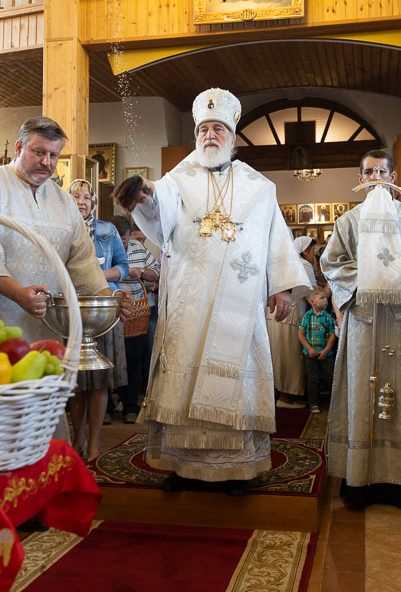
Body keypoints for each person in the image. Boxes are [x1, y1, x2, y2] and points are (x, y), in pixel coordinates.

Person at [114, 87, 310, 496]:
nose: (209, 135)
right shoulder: (177, 179)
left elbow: (276, 238)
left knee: (235, 380)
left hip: (241, 300)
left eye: (218, 128)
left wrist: (283, 287)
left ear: (232, 136)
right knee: (182, 378)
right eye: (203, 129)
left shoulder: (259, 186)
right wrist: (145, 195)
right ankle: (180, 465)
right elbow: (158, 210)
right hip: (190, 298)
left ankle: (237, 469)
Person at [0, 118, 128, 445]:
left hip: (46, 331)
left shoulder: (63, 201)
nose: (47, 162)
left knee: (42, 424)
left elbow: (83, 262)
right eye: (38, 152)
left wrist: (109, 300)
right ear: (19, 148)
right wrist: (18, 294)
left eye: (54, 155)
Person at [321, 149, 401, 510]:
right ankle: (360, 481)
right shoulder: (348, 222)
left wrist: (392, 271)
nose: (375, 178)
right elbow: (332, 262)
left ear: (393, 178)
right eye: (369, 172)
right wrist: (369, 275)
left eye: (382, 172)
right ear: (360, 180)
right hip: (363, 322)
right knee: (362, 396)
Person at [67, 179, 129, 455]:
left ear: (93, 203)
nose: (81, 202)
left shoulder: (107, 229)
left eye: (86, 197)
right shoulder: (62, 229)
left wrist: (96, 275)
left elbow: (123, 266)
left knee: (100, 381)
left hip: (104, 309)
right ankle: (78, 439)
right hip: (72, 310)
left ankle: (94, 444)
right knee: (78, 381)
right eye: (75, 196)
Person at [113, 215, 159, 424]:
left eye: (124, 240)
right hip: (111, 311)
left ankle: (131, 406)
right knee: (111, 360)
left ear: (129, 236)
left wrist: (140, 272)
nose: (122, 244)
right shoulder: (104, 247)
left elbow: (155, 273)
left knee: (134, 360)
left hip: (137, 312)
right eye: (119, 239)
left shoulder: (138, 249)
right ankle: (109, 407)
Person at [269, 236, 317, 409]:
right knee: (290, 356)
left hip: (275, 316)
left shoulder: (283, 263)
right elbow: (312, 293)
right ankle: (287, 397)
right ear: (305, 251)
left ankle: (277, 393)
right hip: (291, 317)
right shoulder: (303, 264)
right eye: (313, 251)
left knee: (277, 355)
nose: (314, 255)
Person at [299, 287, 336, 414]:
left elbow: (332, 335)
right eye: (322, 298)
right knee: (312, 379)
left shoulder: (328, 317)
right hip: (310, 354)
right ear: (312, 302)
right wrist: (309, 349)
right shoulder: (306, 317)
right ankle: (313, 403)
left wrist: (325, 351)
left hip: (326, 354)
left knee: (330, 378)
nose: (326, 300)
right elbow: (301, 334)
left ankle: (333, 403)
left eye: (326, 298)